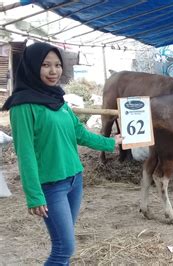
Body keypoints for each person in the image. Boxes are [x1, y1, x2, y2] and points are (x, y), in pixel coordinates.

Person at [2, 42, 123, 264]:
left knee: (64, 245)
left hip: (75, 179)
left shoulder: (59, 101)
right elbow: (25, 153)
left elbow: (80, 133)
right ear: (31, 66)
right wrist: (34, 195)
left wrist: (110, 143)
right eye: (45, 65)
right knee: (64, 248)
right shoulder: (22, 106)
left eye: (57, 65)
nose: (53, 71)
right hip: (51, 186)